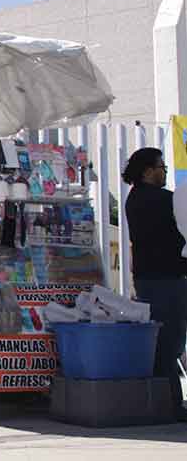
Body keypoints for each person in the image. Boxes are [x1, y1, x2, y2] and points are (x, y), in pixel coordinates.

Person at [123, 147, 187, 421]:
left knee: (162, 342)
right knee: (170, 342)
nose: (164, 173)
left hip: (148, 277)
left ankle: (169, 402)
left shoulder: (133, 199)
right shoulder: (164, 200)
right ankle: (171, 405)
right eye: (162, 168)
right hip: (167, 278)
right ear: (148, 171)